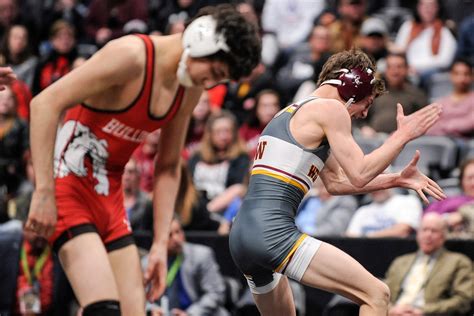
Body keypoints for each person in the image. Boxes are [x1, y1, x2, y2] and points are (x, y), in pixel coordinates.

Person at [25, 4, 260, 316]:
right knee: (104, 309)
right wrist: (43, 192)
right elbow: (44, 104)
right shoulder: (130, 56)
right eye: (215, 73)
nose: (211, 85)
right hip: (67, 187)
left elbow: (168, 166)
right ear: (202, 41)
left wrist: (160, 245)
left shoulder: (187, 88)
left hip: (109, 199)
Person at [229, 48, 445, 316]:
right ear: (351, 85)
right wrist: (403, 135)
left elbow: (336, 183)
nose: (364, 114)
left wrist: (396, 179)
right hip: (271, 233)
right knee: (377, 294)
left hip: (241, 236)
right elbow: (360, 172)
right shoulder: (331, 109)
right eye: (366, 102)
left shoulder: (292, 112)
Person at [385, 213, 472, 315]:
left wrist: (423, 311)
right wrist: (392, 310)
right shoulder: (400, 262)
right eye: (424, 230)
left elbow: (463, 300)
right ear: (417, 234)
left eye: (434, 231)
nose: (428, 235)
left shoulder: (459, 262)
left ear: (443, 235)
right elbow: (383, 294)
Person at [143, 217, 229, 316]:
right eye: (169, 235)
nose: (175, 239)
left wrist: (190, 314)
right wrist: (152, 310)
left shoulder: (201, 255)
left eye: (178, 232)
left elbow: (216, 293)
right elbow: (141, 297)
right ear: (156, 239)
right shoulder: (147, 263)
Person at [346, 188, 422, 238]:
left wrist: (366, 237)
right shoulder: (362, 211)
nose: (376, 188)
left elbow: (402, 231)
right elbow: (350, 238)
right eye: (371, 183)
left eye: (380, 183)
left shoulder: (408, 201)